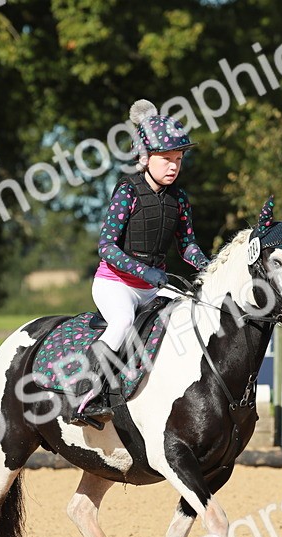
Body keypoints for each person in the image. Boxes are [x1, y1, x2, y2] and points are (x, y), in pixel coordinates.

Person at [73, 99, 211, 425]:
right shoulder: (127, 191)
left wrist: (210, 267)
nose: (174, 166)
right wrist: (145, 271)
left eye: (178, 159)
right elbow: (106, 246)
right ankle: (85, 395)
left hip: (153, 288)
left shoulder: (179, 199)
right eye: (166, 159)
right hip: (115, 285)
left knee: (192, 316)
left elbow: (188, 245)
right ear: (146, 158)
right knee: (121, 323)